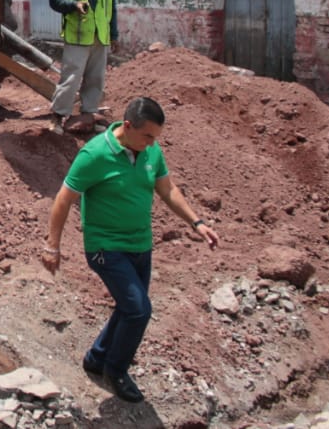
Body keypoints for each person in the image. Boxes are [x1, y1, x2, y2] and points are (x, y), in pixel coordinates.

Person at [42, 97, 219, 404]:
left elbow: (167, 189)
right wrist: (52, 246)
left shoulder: (151, 151)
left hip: (140, 245)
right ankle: (116, 370)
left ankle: (96, 359)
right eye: (147, 136)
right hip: (105, 247)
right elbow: (63, 198)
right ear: (127, 127)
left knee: (129, 307)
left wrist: (197, 222)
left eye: (156, 137)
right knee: (139, 310)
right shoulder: (95, 154)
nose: (152, 143)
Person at [48, 0, 117, 133]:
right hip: (77, 37)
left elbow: (112, 7)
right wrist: (73, 5)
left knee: (96, 78)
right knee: (71, 78)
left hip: (99, 37)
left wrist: (114, 35)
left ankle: (89, 114)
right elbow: (53, 0)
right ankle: (57, 116)